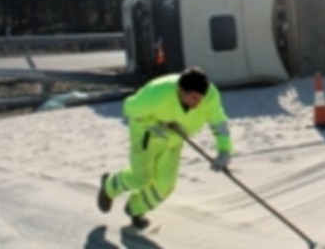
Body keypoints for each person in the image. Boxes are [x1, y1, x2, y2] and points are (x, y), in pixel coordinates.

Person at [96, 67, 233, 229]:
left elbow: (219, 123)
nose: (197, 103)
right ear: (181, 90)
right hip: (147, 136)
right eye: (193, 98)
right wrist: (158, 125)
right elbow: (129, 108)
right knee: (140, 178)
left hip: (174, 141)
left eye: (200, 99)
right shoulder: (158, 93)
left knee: (165, 185)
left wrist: (224, 151)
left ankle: (135, 209)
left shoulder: (210, 96)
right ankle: (109, 187)